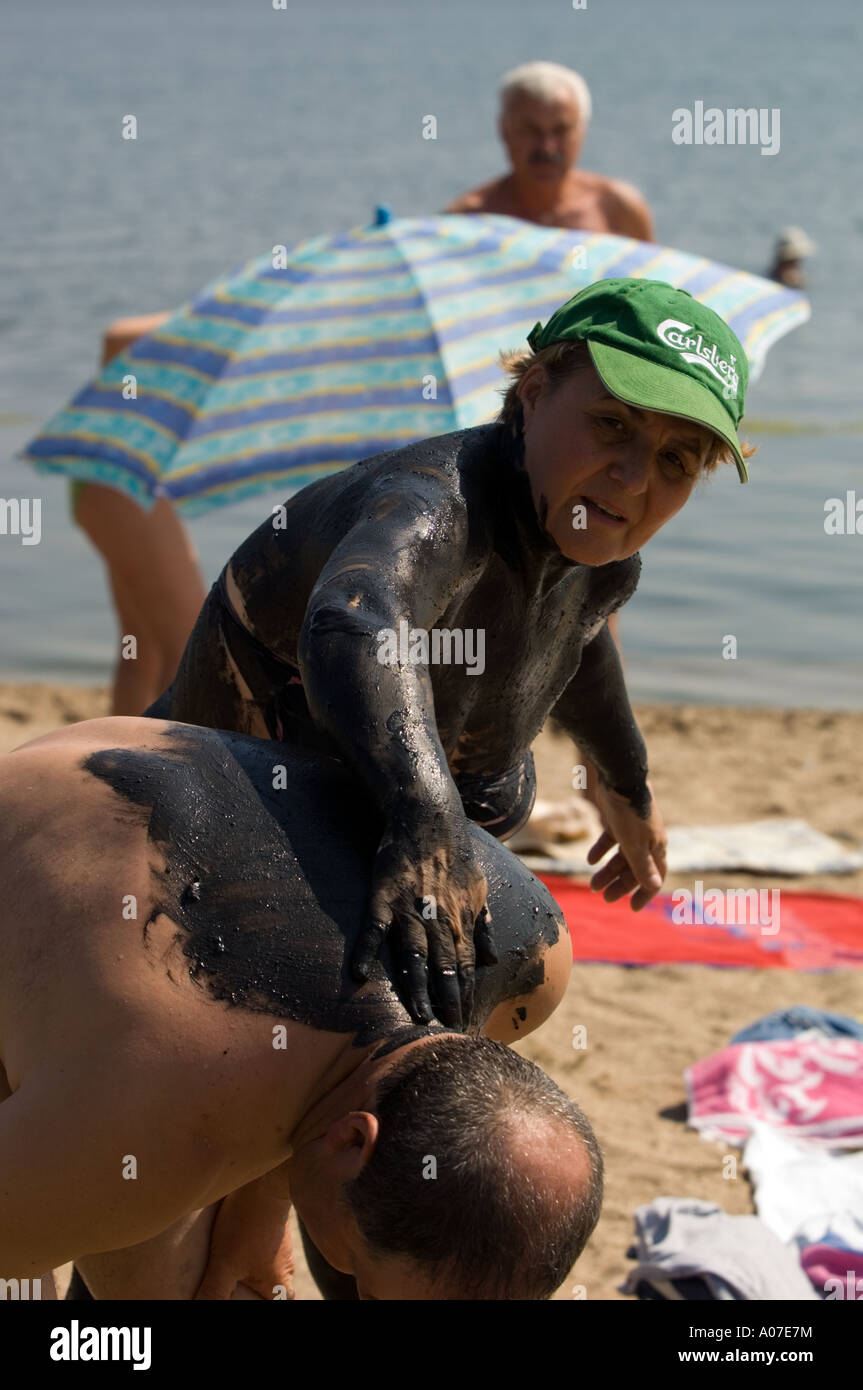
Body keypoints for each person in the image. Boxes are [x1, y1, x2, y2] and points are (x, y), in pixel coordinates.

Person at [149, 277, 755, 1030]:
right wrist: (427, 822)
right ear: (534, 391)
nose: (633, 478)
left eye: (676, 462)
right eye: (610, 424)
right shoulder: (436, 504)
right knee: (517, 958)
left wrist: (628, 787)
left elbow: (579, 642)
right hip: (238, 793)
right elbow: (352, 623)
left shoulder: (598, 559)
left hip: (401, 814)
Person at [0, 715, 596, 1302]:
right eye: (367, 1293)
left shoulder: (531, 956)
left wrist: (258, 1209)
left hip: (105, 776)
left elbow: (334, 1086)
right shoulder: (151, 1117)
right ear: (351, 1141)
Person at [69, 312, 207, 716]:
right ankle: (162, 754)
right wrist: (215, 314)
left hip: (114, 483)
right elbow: (116, 336)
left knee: (139, 648)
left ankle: (121, 745)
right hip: (122, 485)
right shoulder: (211, 321)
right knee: (188, 649)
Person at [445, 61, 654, 240]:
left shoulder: (618, 210)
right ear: (504, 131)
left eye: (561, 130)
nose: (547, 147)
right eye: (531, 131)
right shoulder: (465, 223)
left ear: (581, 131)